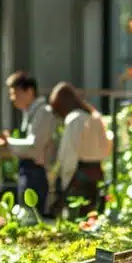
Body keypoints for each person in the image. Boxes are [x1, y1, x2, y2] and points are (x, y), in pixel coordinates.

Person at [0, 71, 56, 214]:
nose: (12, 98)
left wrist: (7, 142)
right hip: (27, 170)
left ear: (29, 91)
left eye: (16, 93)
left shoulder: (43, 112)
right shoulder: (30, 112)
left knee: (32, 216)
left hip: (36, 172)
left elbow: (34, 145)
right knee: (26, 215)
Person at [48, 82, 113, 218]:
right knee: (93, 218)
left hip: (79, 176)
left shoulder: (75, 119)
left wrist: (63, 184)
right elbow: (107, 147)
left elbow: (68, 155)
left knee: (77, 219)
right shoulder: (94, 116)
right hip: (97, 173)